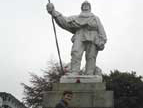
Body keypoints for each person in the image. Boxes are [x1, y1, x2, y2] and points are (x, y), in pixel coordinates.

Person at [46, 1, 107, 75]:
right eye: (84, 5)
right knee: (75, 53)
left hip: (93, 37)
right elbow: (64, 21)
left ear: (90, 8)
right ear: (81, 8)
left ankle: (89, 74)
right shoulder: (76, 18)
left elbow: (101, 29)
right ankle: (74, 72)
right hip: (79, 35)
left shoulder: (95, 18)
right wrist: (53, 12)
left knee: (91, 56)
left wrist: (102, 40)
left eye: (87, 5)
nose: (85, 6)